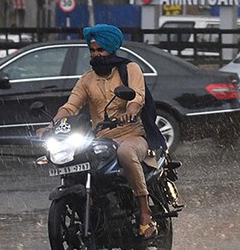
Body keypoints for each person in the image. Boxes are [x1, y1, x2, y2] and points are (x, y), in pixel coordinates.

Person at [38, 24, 158, 238]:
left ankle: (144, 212)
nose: (96, 55)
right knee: (77, 162)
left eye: (101, 50)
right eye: (93, 51)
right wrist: (52, 126)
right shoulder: (87, 79)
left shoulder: (130, 69)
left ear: (111, 49)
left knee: (125, 153)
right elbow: (70, 106)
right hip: (100, 138)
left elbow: (138, 98)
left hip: (131, 134)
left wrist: (129, 112)